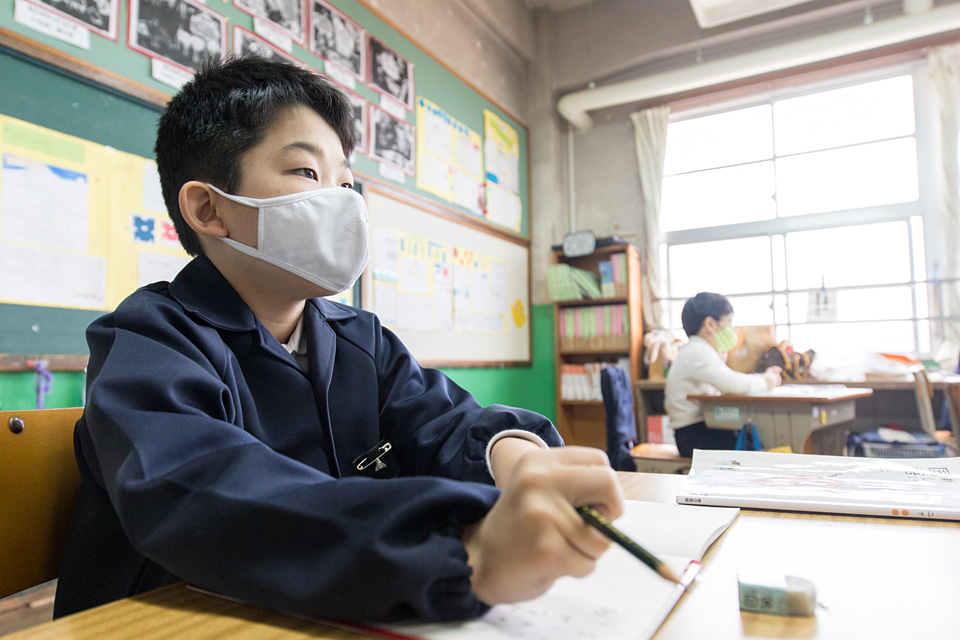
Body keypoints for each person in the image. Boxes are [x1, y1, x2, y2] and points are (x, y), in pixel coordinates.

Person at [53, 55, 623, 624]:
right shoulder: (148, 339)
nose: (342, 201)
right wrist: (467, 551)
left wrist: (514, 459)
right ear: (209, 209)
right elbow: (199, 490)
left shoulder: (359, 338)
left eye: (346, 183)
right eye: (306, 172)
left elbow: (445, 423)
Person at [664, 292, 782, 457]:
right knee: (757, 449)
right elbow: (733, 383)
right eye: (729, 322)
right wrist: (768, 380)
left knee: (753, 442)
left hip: (701, 430)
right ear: (710, 324)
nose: (733, 329)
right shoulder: (697, 352)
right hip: (695, 435)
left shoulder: (698, 350)